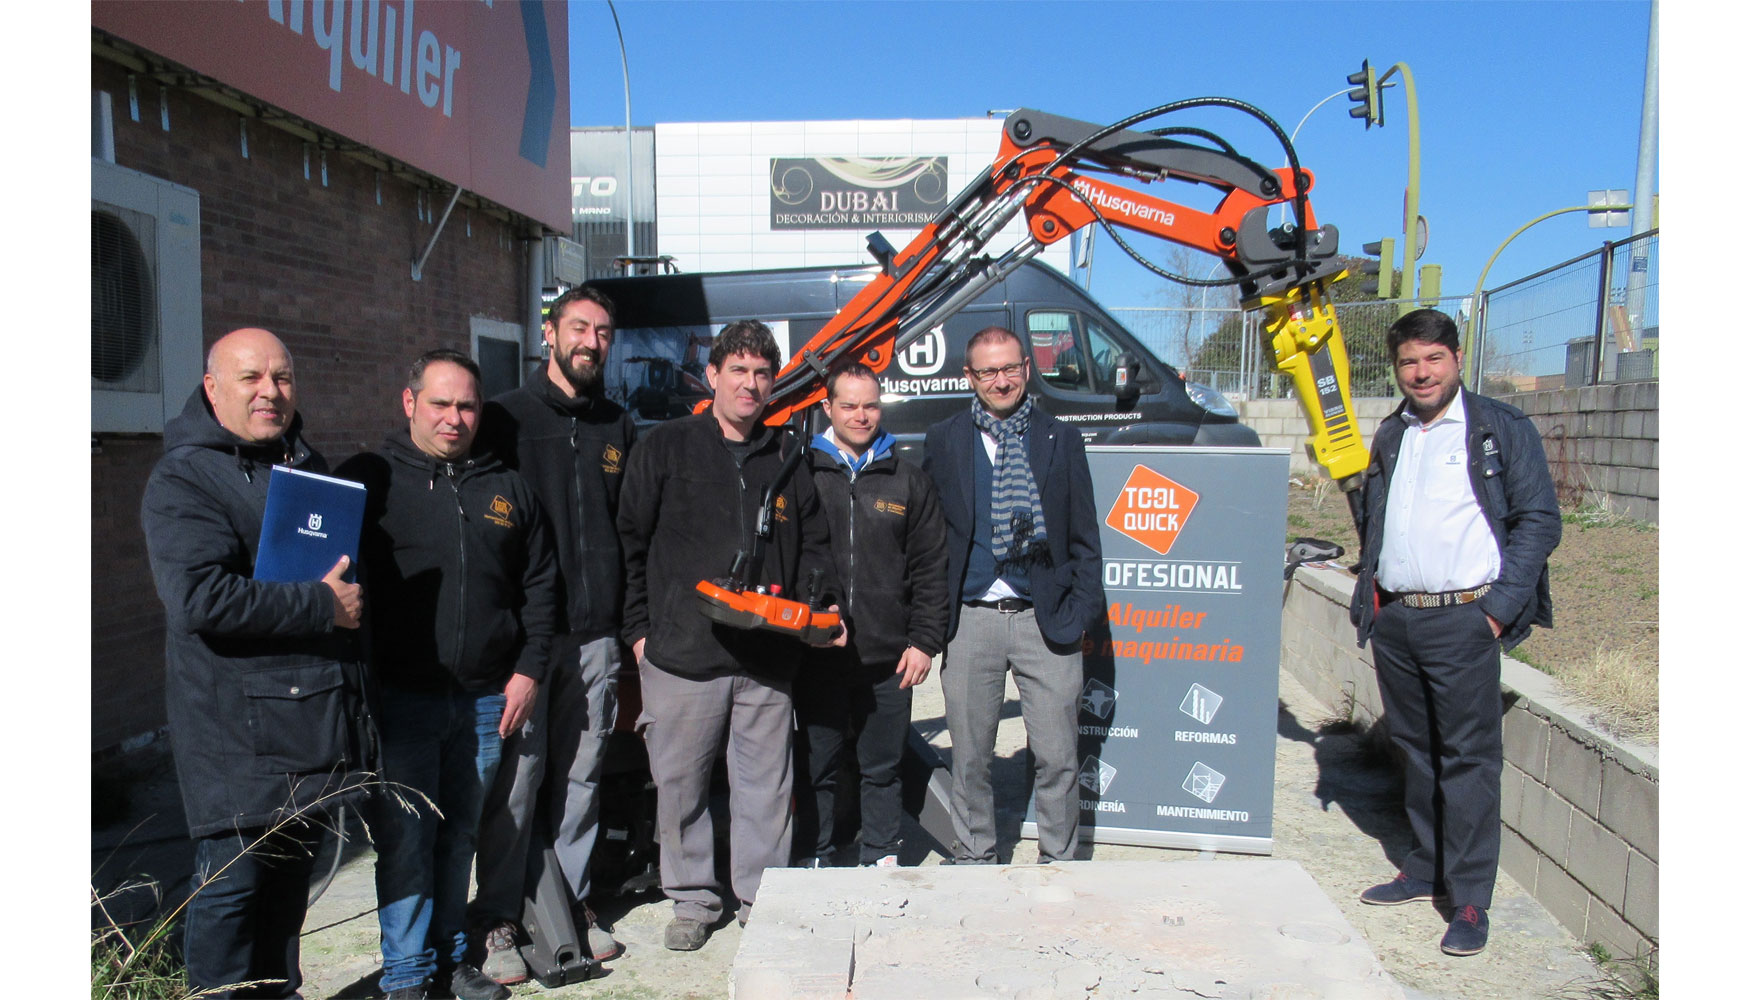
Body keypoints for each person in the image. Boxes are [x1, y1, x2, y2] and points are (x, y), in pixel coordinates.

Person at [141, 327, 373, 1000]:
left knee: (287, 889)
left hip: (306, 721)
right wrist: (320, 608)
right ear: (212, 388)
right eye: (251, 378)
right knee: (232, 890)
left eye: (283, 378)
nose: (271, 392)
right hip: (232, 733)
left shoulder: (304, 465)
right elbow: (198, 598)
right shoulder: (185, 476)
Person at [337, 350, 558, 1000]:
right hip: (401, 703)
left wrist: (529, 670)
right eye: (440, 403)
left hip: (487, 701)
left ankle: (449, 959)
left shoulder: (506, 488)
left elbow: (542, 585)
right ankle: (406, 976)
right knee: (406, 840)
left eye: (466, 405)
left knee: (458, 835)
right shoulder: (367, 483)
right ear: (410, 403)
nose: (454, 418)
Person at [617, 320, 843, 951]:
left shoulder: (787, 456)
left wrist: (822, 605)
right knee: (681, 786)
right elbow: (628, 544)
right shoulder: (667, 447)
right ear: (712, 376)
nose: (751, 384)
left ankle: (759, 896)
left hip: (767, 657)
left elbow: (815, 547)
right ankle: (691, 899)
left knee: (765, 790)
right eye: (738, 371)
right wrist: (638, 632)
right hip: (683, 655)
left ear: (774, 384)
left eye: (762, 373)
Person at [1349, 308, 1561, 958]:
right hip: (1400, 620)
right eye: (1409, 362)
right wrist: (1379, 604)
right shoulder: (1393, 434)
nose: (1421, 372)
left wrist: (1494, 611)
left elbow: (1539, 520)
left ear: (1457, 359)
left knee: (1467, 760)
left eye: (1432, 359)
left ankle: (1469, 897)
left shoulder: (1498, 427)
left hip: (1465, 619)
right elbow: (1378, 522)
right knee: (1413, 750)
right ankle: (1423, 867)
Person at [468, 286, 635, 982]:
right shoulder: (503, 418)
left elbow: (629, 532)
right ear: (549, 333)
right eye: (578, 328)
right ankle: (499, 919)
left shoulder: (618, 426)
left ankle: (572, 905)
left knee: (581, 777)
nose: (590, 342)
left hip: (596, 637)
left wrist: (630, 632)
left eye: (601, 332)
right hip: (527, 644)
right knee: (517, 781)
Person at [923, 326, 1103, 865]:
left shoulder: (1060, 440)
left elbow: (1085, 539)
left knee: (1057, 756)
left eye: (1009, 368)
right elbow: (930, 537)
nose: (1000, 381)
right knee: (971, 756)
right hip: (971, 618)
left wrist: (1080, 612)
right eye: (987, 371)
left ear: (1026, 368)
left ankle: (1059, 859)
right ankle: (976, 854)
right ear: (969, 377)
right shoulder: (945, 440)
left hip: (1043, 620)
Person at [794, 362, 949, 868]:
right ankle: (817, 852)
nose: (861, 416)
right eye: (849, 405)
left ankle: (880, 853)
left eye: (871, 405)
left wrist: (924, 640)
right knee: (818, 763)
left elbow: (930, 565)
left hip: (888, 655)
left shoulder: (908, 480)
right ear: (827, 409)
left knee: (881, 765)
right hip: (820, 652)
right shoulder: (803, 473)